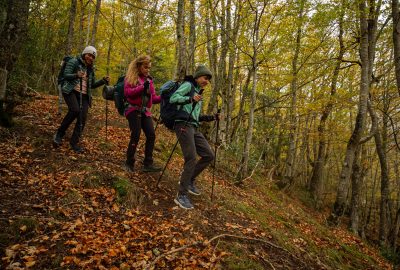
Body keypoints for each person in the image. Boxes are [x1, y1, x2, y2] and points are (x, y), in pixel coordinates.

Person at [170, 65, 219, 209]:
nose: (207, 81)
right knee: (191, 157)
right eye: (205, 78)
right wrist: (190, 99)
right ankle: (182, 195)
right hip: (182, 125)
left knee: (209, 155)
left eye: (209, 79)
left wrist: (212, 117)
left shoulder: (198, 92)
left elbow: (195, 116)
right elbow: (174, 98)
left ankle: (189, 180)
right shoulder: (188, 86)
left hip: (193, 126)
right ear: (198, 76)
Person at [53, 46, 110, 153]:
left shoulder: (91, 69)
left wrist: (102, 81)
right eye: (89, 55)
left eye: (93, 56)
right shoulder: (74, 61)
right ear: (84, 54)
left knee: (82, 118)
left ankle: (74, 142)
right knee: (75, 110)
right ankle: (59, 134)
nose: (91, 58)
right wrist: (76, 75)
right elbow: (66, 75)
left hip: (84, 95)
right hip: (70, 90)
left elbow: (92, 85)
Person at [123, 55, 162, 173]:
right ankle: (129, 162)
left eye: (149, 68)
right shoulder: (131, 78)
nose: (147, 70)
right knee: (136, 133)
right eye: (145, 67)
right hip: (133, 110)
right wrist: (142, 88)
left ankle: (148, 164)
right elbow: (128, 93)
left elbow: (154, 98)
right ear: (139, 66)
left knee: (151, 135)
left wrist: (164, 97)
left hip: (145, 111)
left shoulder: (149, 80)